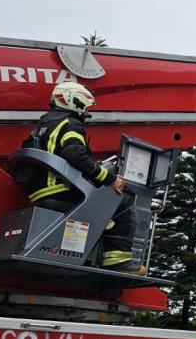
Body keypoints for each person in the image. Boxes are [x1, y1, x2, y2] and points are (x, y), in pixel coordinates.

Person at [15, 82, 138, 273]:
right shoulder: (70, 124)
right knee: (124, 200)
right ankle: (117, 261)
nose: (87, 111)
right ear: (75, 101)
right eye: (86, 106)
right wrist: (110, 178)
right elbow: (75, 155)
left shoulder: (43, 125)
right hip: (62, 189)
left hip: (40, 192)